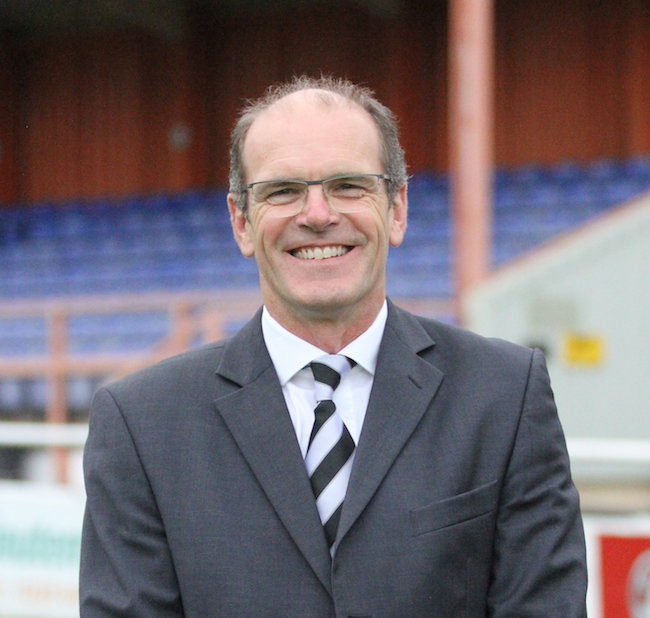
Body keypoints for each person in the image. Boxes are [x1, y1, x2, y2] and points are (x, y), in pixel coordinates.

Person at [80, 75, 587, 616]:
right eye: (282, 190)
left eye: (348, 185)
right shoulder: (141, 424)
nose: (318, 215)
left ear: (396, 209)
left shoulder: (505, 396)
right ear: (241, 222)